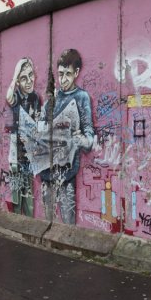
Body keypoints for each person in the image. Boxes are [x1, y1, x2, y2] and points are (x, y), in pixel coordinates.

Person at [39, 49, 95, 225]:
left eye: (68, 74)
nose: (63, 80)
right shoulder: (51, 100)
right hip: (47, 173)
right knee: (47, 221)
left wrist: (81, 140)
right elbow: (39, 130)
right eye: (60, 74)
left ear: (76, 73)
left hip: (67, 173)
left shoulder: (81, 97)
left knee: (68, 223)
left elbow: (89, 138)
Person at [5, 57, 40, 217]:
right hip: (16, 152)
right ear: (18, 81)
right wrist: (15, 77)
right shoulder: (17, 97)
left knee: (29, 193)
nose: (29, 81)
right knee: (16, 194)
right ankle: (17, 219)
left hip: (29, 151)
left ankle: (29, 222)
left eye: (31, 75)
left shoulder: (35, 99)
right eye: (23, 78)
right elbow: (8, 96)